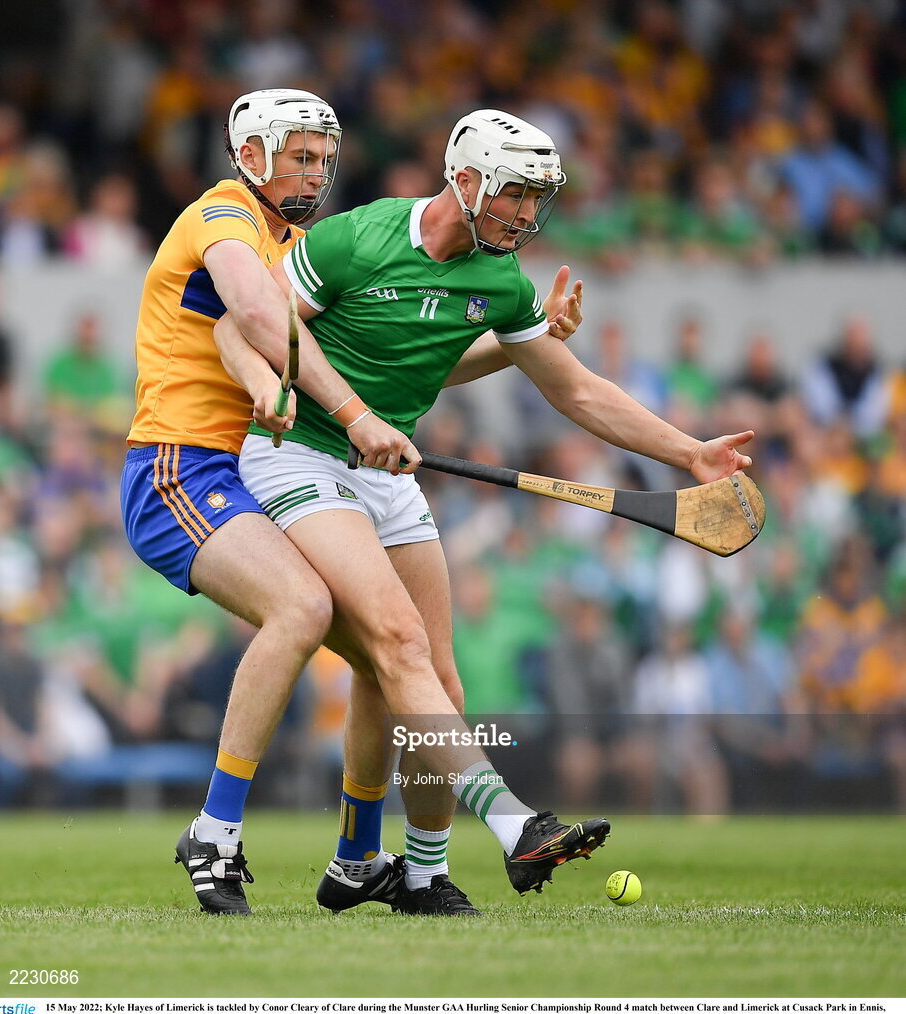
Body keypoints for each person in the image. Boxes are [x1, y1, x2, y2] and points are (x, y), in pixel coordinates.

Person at [222, 108, 755, 914]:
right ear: (464, 181)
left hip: (388, 471)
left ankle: (421, 873)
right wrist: (314, 402)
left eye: (535, 200)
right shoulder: (351, 240)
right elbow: (247, 328)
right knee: (395, 641)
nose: (524, 215)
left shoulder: (499, 283)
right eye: (513, 195)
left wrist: (686, 454)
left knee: (438, 679)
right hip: (300, 456)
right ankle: (514, 827)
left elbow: (574, 388)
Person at [120, 90, 583, 917]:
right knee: (300, 608)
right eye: (299, 156)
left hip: (251, 468)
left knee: (387, 654)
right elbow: (253, 316)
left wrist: (523, 340)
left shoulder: (303, 243)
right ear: (252, 154)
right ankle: (214, 831)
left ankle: (359, 859)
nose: (316, 172)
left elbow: (417, 354)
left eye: (325, 160)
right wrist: (349, 414)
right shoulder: (224, 216)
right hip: (180, 467)